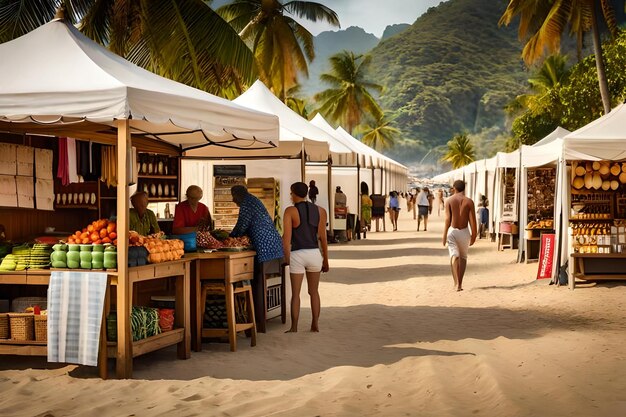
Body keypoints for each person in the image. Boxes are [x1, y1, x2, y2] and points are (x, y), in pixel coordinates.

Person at [283, 182, 329, 333]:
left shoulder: (290, 211)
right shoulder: (321, 211)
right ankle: (315, 324)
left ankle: (294, 326)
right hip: (314, 253)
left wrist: (286, 258)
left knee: (295, 294)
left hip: (297, 253)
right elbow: (323, 237)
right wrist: (326, 260)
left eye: (291, 193)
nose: (290, 196)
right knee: (314, 292)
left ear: (295, 193)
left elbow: (287, 238)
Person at [230, 185, 284, 263]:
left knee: (260, 273)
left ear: (238, 194)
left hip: (264, 246)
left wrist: (230, 237)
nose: (233, 200)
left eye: (233, 196)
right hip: (275, 246)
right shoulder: (252, 199)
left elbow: (242, 226)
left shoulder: (247, 203)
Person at [443, 180, 477, 292]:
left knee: (454, 256)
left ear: (454, 188)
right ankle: (460, 283)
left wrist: (444, 236)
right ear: (464, 188)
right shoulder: (469, 201)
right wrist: (474, 235)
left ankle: (455, 282)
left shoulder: (449, 200)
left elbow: (448, 220)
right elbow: (473, 221)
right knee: (463, 258)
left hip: (452, 231)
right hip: (464, 232)